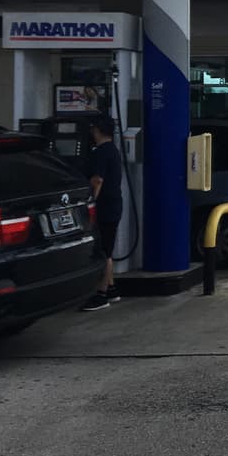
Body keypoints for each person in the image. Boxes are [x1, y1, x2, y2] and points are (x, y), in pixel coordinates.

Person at [81, 115, 123, 311]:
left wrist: (89, 202)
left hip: (104, 206)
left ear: (97, 130)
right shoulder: (113, 150)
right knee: (108, 246)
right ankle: (112, 288)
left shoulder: (101, 152)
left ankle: (101, 293)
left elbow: (97, 180)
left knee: (104, 250)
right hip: (114, 205)